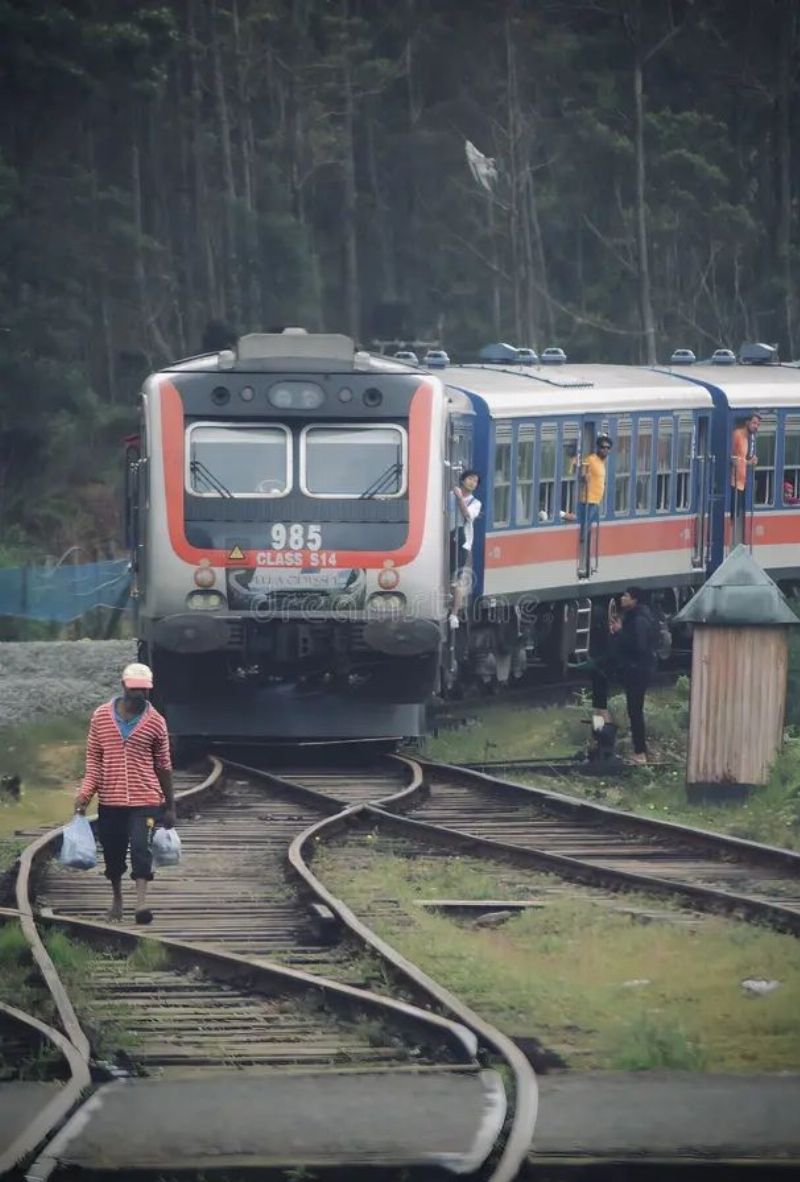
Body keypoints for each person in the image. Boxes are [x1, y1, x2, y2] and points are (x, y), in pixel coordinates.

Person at [74, 662, 175, 924]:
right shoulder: (101, 718)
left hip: (146, 799)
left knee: (141, 848)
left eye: (144, 691)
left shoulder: (156, 722)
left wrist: (170, 805)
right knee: (113, 851)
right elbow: (94, 761)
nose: (139, 695)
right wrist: (84, 796)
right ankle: (117, 900)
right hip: (111, 799)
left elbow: (164, 766)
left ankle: (141, 903)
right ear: (123, 687)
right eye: (134, 690)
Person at [591, 587, 658, 765]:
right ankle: (602, 719)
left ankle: (640, 752)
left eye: (626, 596)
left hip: (636, 670)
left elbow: (638, 646)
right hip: (632, 668)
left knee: (635, 711)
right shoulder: (636, 616)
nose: (622, 598)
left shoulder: (638, 620)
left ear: (634, 600)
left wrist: (620, 632)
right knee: (599, 676)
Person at [449, 469, 481, 629]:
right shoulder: (449, 496)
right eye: (470, 479)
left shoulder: (475, 503)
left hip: (463, 542)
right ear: (463, 480)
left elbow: (467, 516)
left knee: (456, 579)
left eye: (475, 481)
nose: (472, 483)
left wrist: (460, 498)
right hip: (446, 538)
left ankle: (454, 614)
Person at [730, 413, 760, 539]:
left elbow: (741, 458)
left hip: (742, 482)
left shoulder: (747, 439)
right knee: (732, 514)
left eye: (758, 424)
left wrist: (750, 461)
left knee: (739, 512)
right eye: (754, 423)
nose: (756, 427)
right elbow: (732, 456)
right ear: (747, 422)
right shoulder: (737, 435)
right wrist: (746, 462)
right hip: (733, 481)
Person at [578, 435, 612, 539]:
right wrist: (584, 477)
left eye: (608, 448)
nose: (605, 450)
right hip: (588, 501)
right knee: (584, 529)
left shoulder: (602, 463)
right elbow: (582, 474)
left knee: (590, 529)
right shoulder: (591, 459)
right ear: (597, 447)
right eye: (603, 447)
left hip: (596, 501)